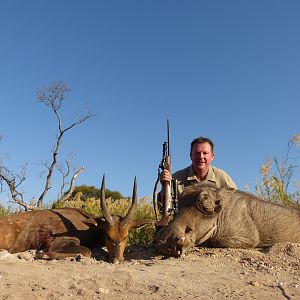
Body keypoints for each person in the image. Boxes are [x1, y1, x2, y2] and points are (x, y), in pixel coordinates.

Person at [160, 136, 237, 198]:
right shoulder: (176, 178)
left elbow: (236, 202)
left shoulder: (222, 177)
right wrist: (164, 186)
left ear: (212, 156)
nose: (201, 157)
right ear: (190, 155)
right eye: (197, 153)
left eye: (205, 153)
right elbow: (162, 208)